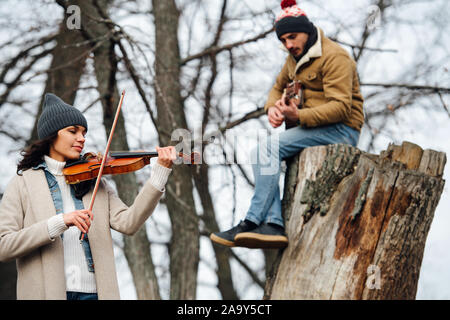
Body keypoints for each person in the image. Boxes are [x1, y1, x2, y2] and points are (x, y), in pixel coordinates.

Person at [210, 0, 364, 249]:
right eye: (283, 40)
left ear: (308, 31)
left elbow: (341, 107)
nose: (288, 45)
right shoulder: (294, 59)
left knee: (265, 150)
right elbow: (276, 87)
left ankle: (252, 220)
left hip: (342, 130)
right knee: (264, 152)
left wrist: (298, 117)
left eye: (292, 37)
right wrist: (272, 108)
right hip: (312, 129)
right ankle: (272, 226)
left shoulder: (335, 57)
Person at [0, 93, 176, 300]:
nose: (82, 138)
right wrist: (59, 222)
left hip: (96, 294)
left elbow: (129, 223)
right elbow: (4, 246)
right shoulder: (22, 184)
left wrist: (160, 174)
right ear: (51, 135)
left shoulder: (95, 181)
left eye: (84, 132)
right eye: (73, 131)